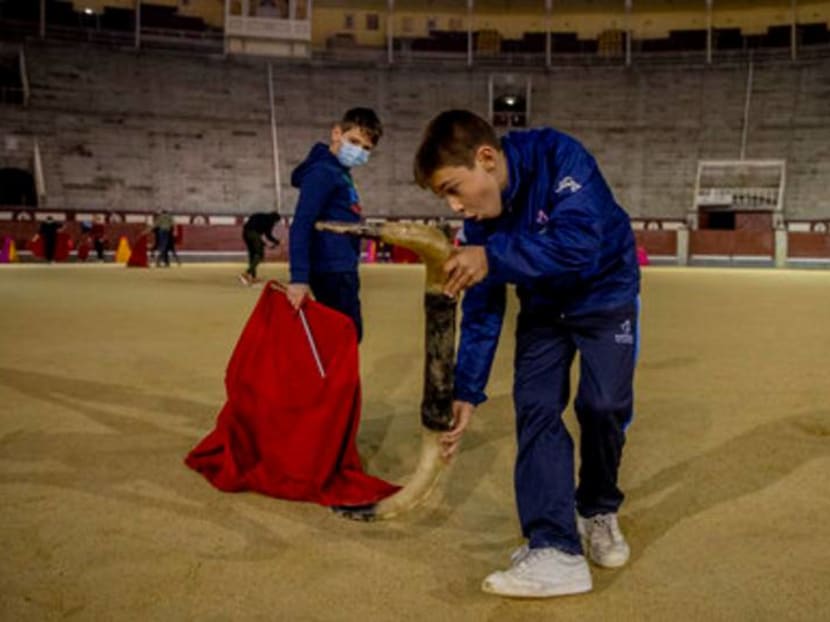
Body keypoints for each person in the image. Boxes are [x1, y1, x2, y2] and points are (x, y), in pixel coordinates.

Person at [413, 110, 640, 598]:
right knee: (536, 408)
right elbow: (483, 305)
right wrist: (467, 390)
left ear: (487, 159)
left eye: (454, 188)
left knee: (602, 407)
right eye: (444, 197)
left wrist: (492, 259)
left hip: (607, 295)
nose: (454, 206)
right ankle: (554, 548)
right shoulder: (478, 227)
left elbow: (581, 244)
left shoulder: (561, 157)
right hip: (543, 308)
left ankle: (597, 509)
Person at [285, 107, 383, 343]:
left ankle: (335, 380)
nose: (358, 151)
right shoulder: (323, 173)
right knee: (344, 337)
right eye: (354, 141)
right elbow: (301, 224)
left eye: (366, 148)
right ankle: (335, 381)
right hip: (332, 268)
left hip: (342, 266)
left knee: (342, 336)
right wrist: (298, 278)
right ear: (337, 133)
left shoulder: (340, 173)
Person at [239, 210, 281, 285]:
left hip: (245, 233)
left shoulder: (258, 214)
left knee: (252, 255)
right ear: (275, 219)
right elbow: (268, 235)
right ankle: (245, 274)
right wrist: (276, 241)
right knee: (259, 255)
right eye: (276, 222)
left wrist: (263, 243)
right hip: (254, 235)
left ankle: (253, 277)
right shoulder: (270, 222)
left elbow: (250, 226)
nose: (275, 223)